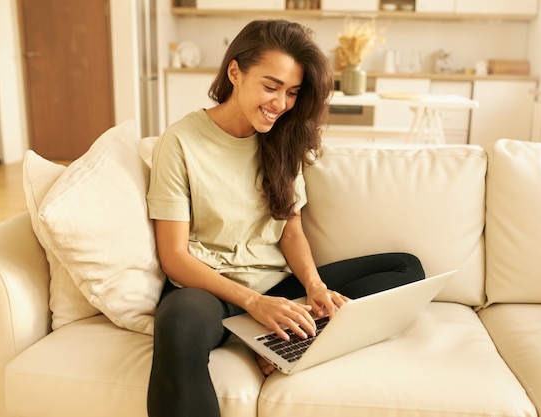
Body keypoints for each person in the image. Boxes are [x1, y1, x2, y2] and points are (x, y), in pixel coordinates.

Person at [146, 19, 425, 417]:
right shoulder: (180, 142)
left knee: (404, 267)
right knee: (176, 321)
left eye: (292, 92)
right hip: (214, 293)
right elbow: (174, 256)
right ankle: (286, 333)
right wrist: (254, 303)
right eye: (271, 86)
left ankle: (291, 340)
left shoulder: (283, 138)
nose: (280, 103)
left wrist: (314, 287)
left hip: (279, 287)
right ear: (235, 73)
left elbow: (290, 232)